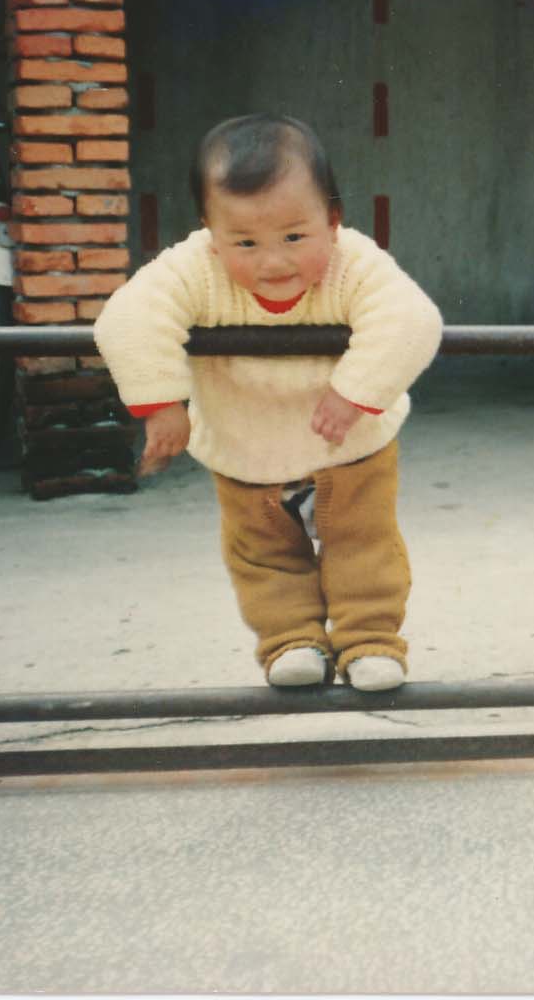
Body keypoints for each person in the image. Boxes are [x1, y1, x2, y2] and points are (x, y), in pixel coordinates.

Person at [94, 113, 443, 691]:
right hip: (245, 452)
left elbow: (411, 319)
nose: (273, 262)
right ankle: (292, 641)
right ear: (211, 232)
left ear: (332, 220)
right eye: (245, 243)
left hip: (349, 448)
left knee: (364, 548)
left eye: (295, 237)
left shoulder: (354, 264)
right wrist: (163, 402)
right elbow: (129, 319)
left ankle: (369, 641)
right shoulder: (194, 269)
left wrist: (355, 392)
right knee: (262, 558)